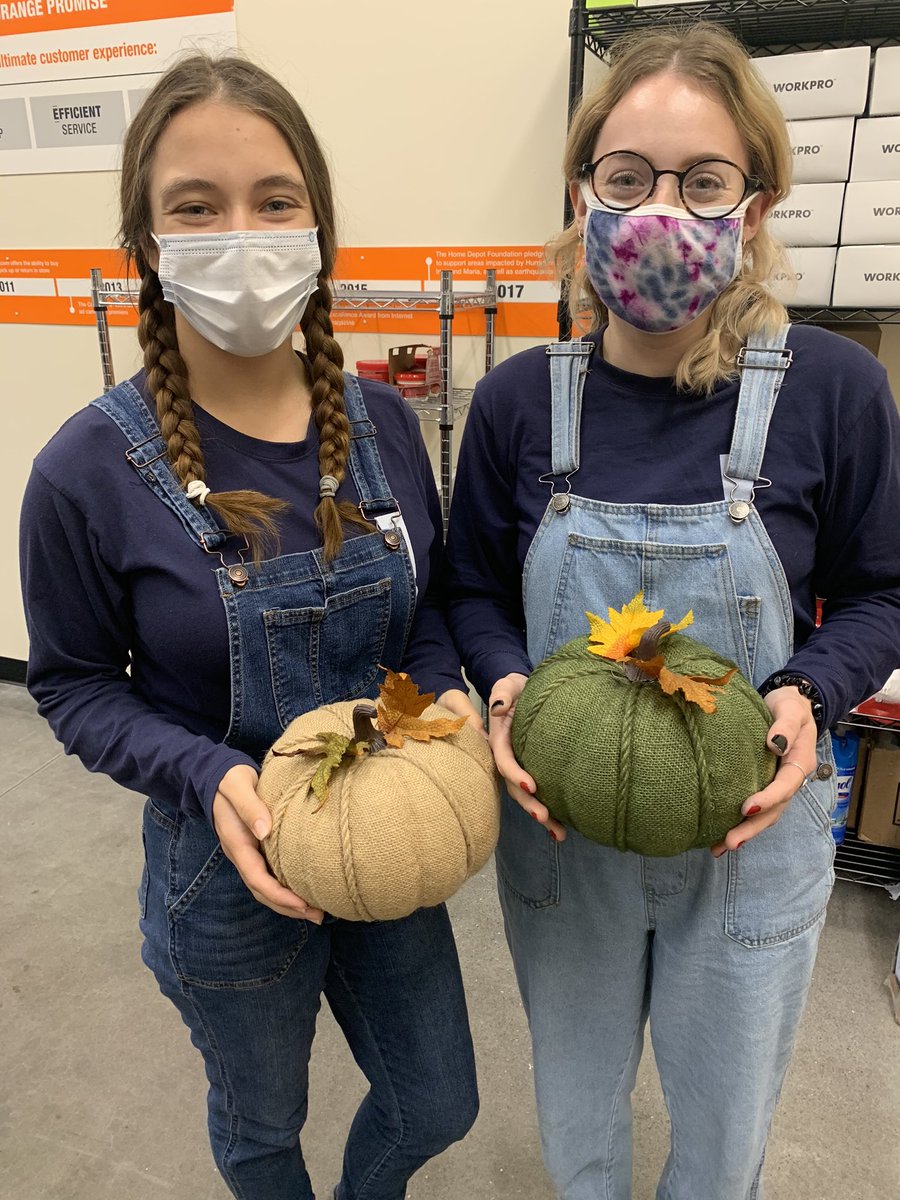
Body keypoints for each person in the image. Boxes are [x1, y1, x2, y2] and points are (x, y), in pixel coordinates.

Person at [445, 21, 900, 1200]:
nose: (660, 210)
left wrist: (811, 691)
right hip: (564, 828)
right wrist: (506, 683)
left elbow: (883, 591)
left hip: (749, 830)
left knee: (724, 1134)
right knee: (577, 1116)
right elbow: (470, 589)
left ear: (754, 206)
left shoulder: (834, 391)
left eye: (702, 182)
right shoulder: (514, 403)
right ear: (582, 194)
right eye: (627, 177)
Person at [19, 54, 482, 1200]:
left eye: (275, 201)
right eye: (196, 206)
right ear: (147, 245)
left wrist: (441, 697)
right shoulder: (86, 469)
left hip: (386, 831)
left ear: (318, 230)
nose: (241, 232)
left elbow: (426, 611)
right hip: (220, 870)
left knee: (438, 1101)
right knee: (264, 1124)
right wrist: (207, 773)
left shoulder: (382, 424)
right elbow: (74, 684)